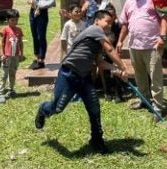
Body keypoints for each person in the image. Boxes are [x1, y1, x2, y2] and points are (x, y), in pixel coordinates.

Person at [35, 10, 129, 154]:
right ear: (97, 21)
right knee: (57, 108)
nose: (109, 25)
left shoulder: (96, 41)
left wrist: (116, 69)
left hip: (84, 78)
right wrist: (123, 67)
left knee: (94, 109)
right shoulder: (95, 30)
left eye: (111, 23)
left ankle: (97, 140)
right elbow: (110, 49)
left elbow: (100, 63)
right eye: (107, 21)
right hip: (68, 75)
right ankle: (43, 110)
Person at [117, 0, 167, 115]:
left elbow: (164, 17)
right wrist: (120, 41)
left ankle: (158, 105)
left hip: (153, 45)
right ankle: (144, 100)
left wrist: (162, 37)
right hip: (134, 45)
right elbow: (125, 24)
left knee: (155, 77)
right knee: (139, 76)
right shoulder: (129, 1)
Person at [27, 0, 55, 70]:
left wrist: (40, 6)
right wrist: (31, 1)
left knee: (41, 36)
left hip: (42, 13)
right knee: (34, 35)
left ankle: (42, 59)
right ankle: (37, 57)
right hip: (32, 12)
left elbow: (51, 1)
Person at [0, 9, 23, 104]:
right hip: (7, 56)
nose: (14, 22)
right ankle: (1, 93)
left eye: (16, 20)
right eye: (12, 20)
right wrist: (2, 54)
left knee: (13, 73)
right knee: (4, 74)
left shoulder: (19, 30)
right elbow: (2, 43)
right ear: (7, 20)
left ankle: (11, 89)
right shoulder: (5, 30)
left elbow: (20, 42)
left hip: (15, 56)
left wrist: (21, 53)